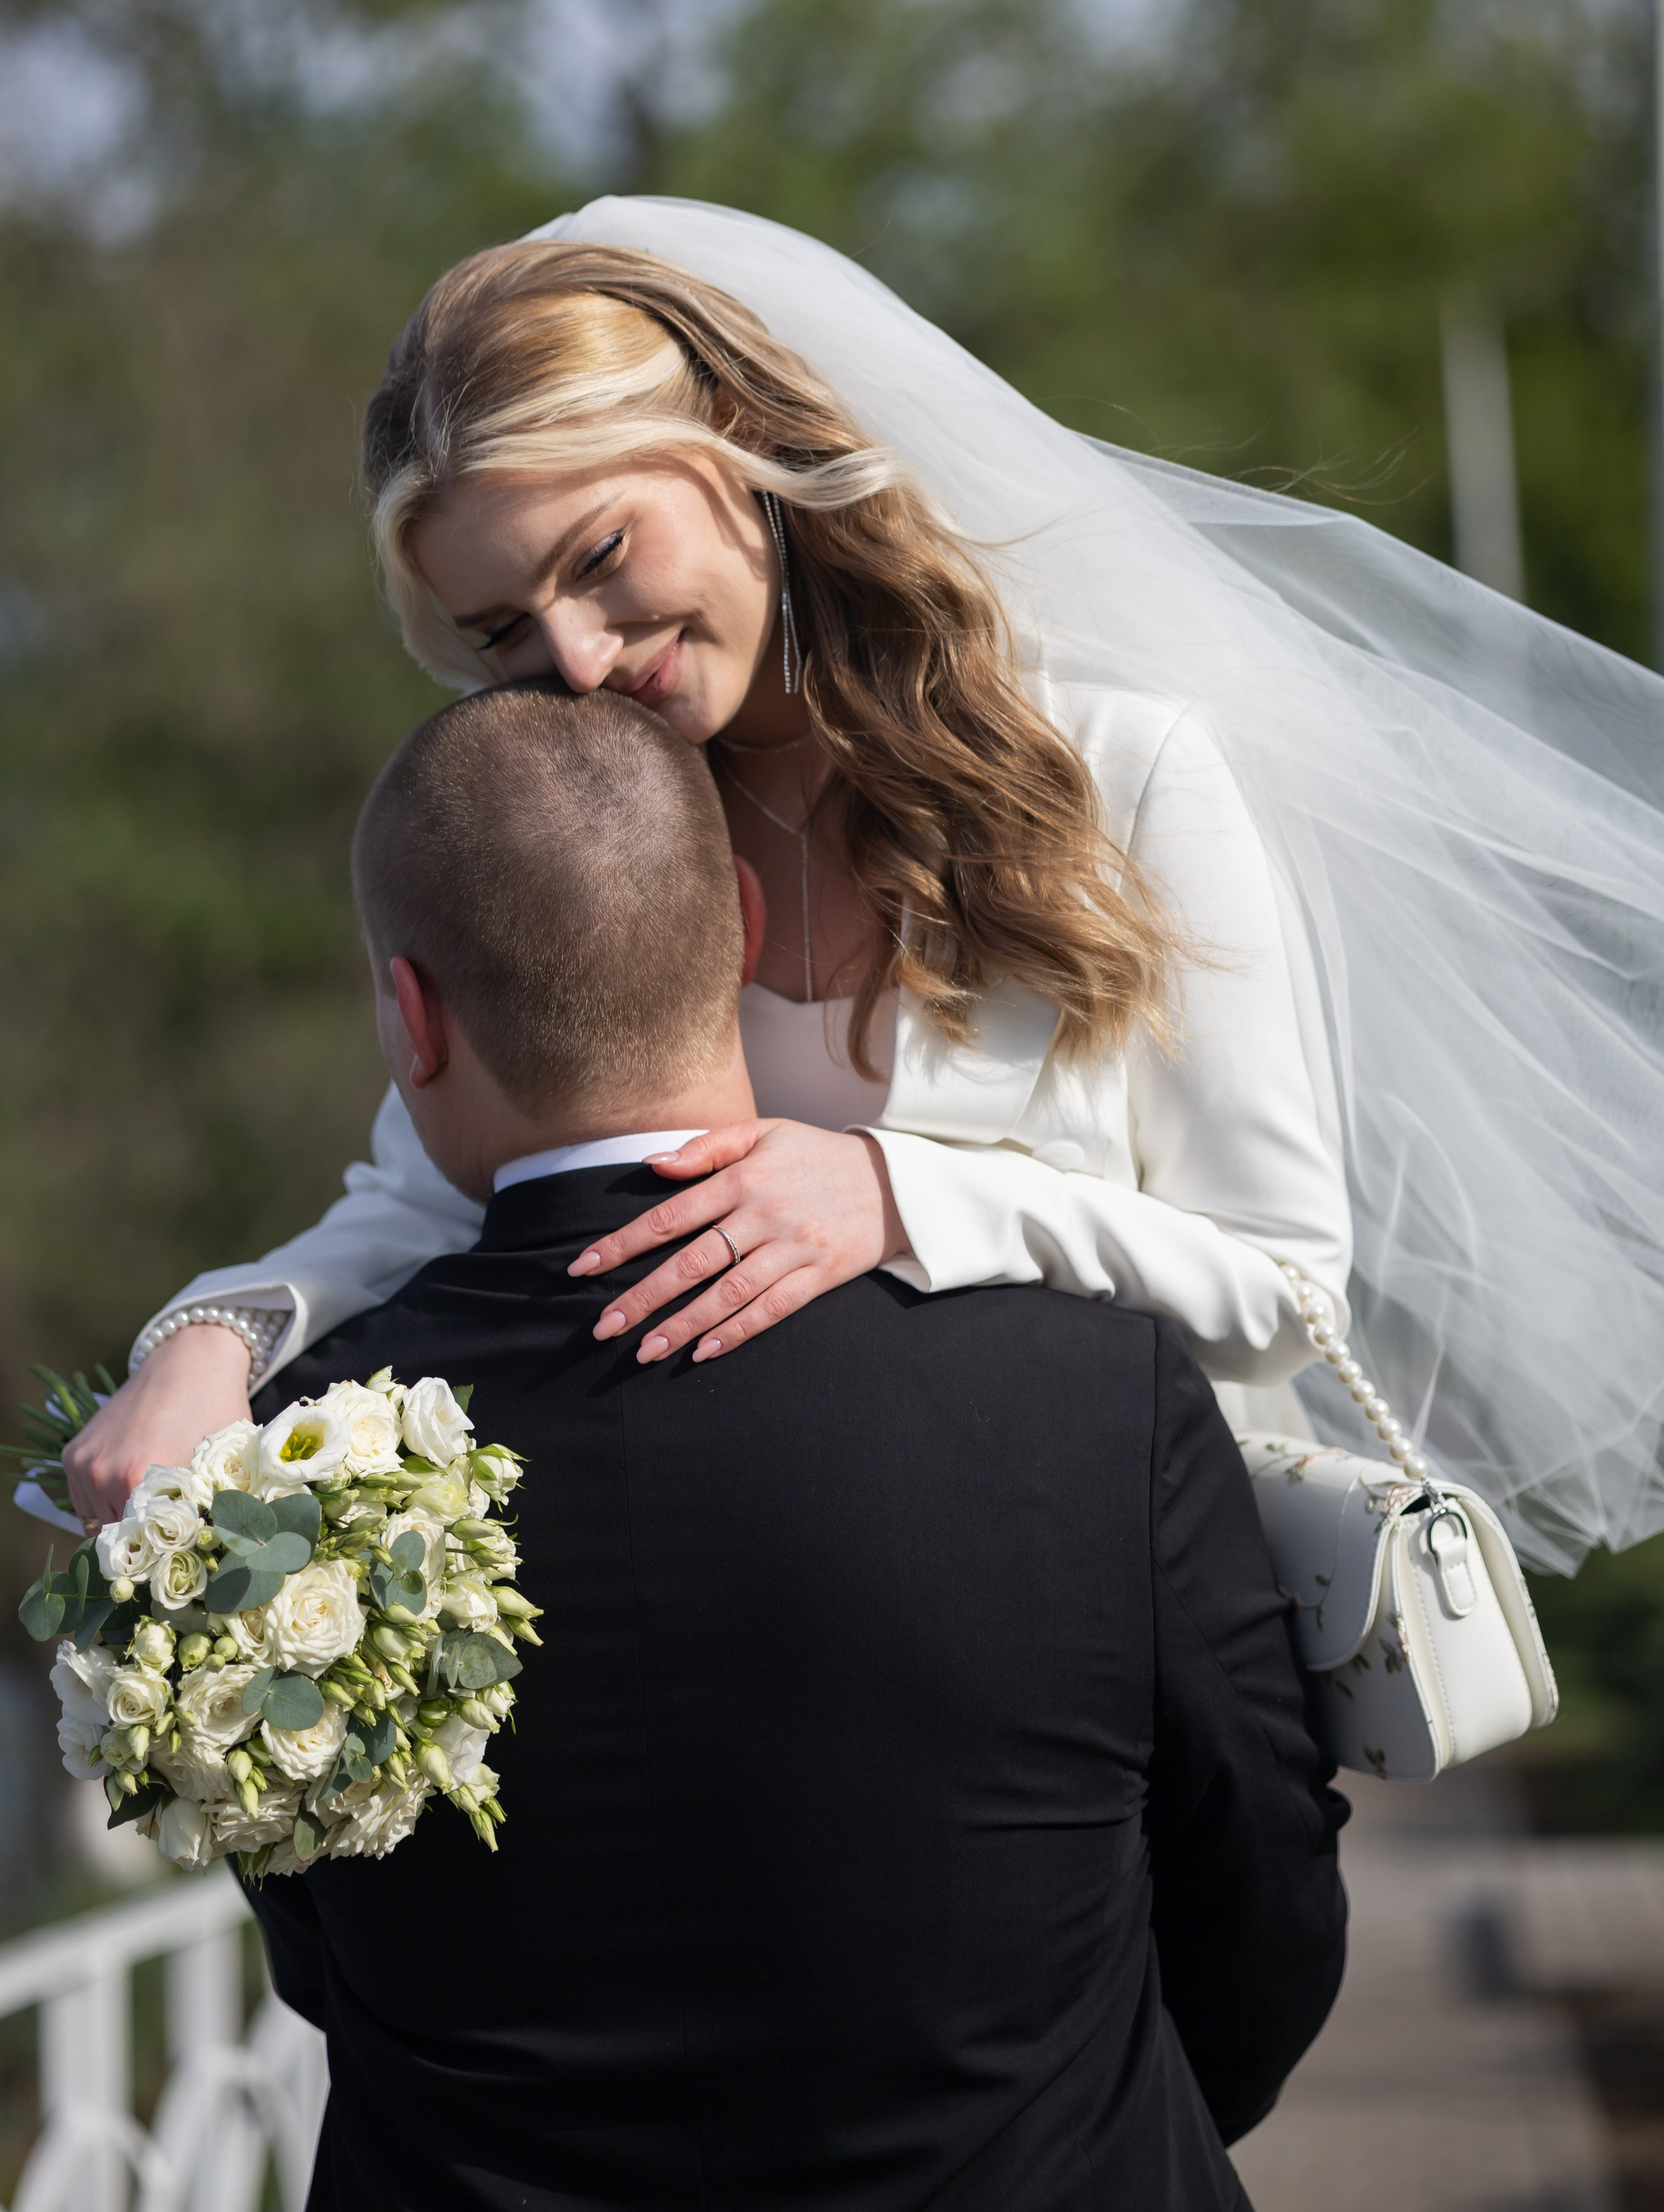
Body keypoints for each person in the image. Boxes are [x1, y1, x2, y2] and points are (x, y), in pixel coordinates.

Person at [65, 201, 1664, 1571]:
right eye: (499, 631)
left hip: (1110, 1636)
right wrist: (213, 1337)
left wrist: (898, 1196)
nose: (568, 658)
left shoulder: (1120, 770)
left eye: (600, 557)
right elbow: (424, 1196)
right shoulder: (597, 821)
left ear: (743, 451)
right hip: (767, 1655)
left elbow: (1276, 1289)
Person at [249, 677, 1348, 2212]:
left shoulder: (285, 1471)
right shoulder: (1094, 1392)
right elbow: (1267, 1891)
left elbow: (324, 1949)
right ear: (744, 934)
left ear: (411, 1020)